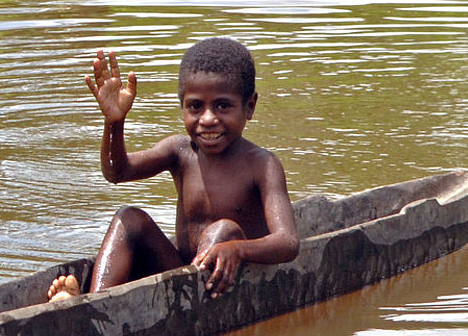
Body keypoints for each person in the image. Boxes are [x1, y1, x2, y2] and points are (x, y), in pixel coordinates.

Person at [48, 38, 299, 301]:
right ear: (182, 106)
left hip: (221, 285)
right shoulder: (180, 151)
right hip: (183, 278)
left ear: (250, 107)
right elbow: (116, 173)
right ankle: (93, 304)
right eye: (195, 107)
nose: (208, 119)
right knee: (130, 218)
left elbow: (288, 242)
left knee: (223, 231)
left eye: (223, 106)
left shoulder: (262, 165)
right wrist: (114, 123)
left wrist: (236, 249)